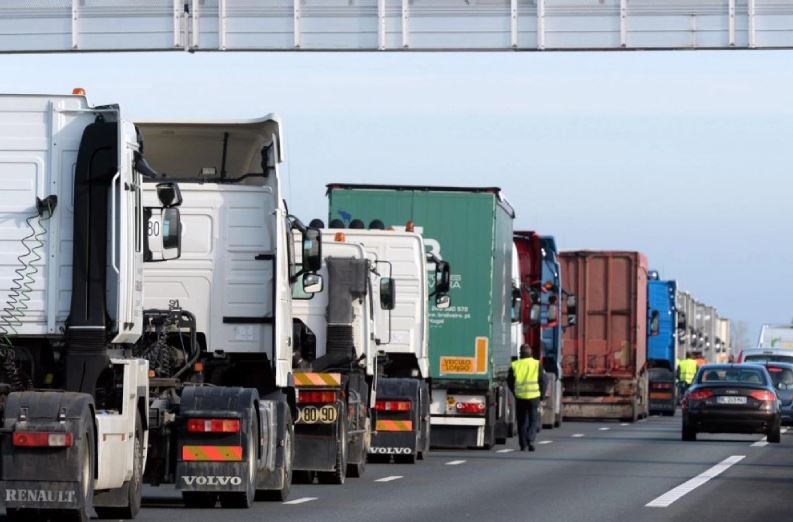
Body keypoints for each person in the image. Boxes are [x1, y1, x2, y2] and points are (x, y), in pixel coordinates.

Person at [508, 344, 546, 452]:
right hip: (534, 397)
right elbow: (543, 381)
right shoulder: (536, 364)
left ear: (520, 354)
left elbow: (509, 381)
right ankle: (530, 438)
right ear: (531, 354)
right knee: (533, 420)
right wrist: (542, 396)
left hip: (520, 397)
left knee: (521, 421)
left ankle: (523, 445)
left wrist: (515, 392)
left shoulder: (515, 365)